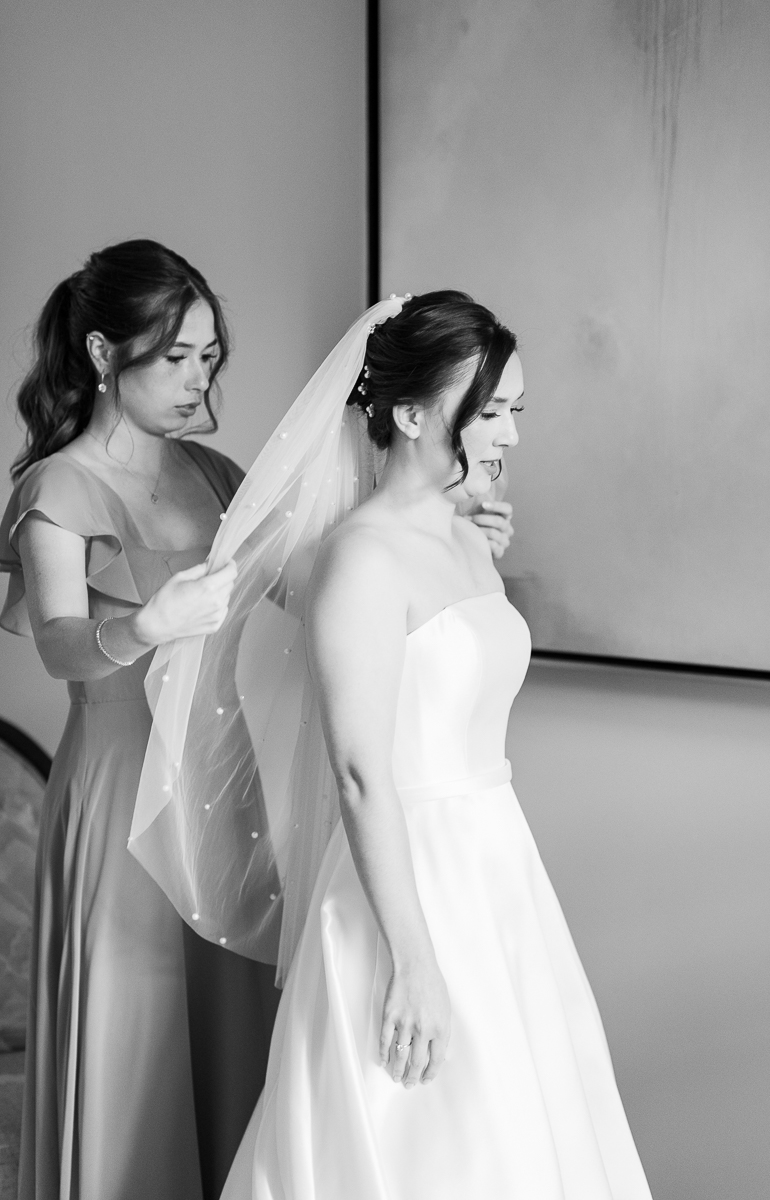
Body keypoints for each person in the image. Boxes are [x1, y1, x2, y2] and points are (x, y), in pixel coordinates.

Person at [132, 292, 653, 1200]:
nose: (509, 437)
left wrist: (482, 544)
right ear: (411, 414)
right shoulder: (360, 560)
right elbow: (362, 773)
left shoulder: (467, 536)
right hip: (404, 882)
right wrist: (411, 956)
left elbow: (462, 682)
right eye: (488, 412)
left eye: (513, 412)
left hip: (499, 869)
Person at [0, 240, 278, 1200]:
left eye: (209, 355)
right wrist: (150, 625)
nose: (199, 378)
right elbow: (62, 646)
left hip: (219, 782)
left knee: (233, 1029)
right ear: (103, 354)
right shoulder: (59, 487)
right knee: (136, 1041)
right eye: (176, 356)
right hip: (120, 785)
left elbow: (299, 579)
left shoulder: (216, 472)